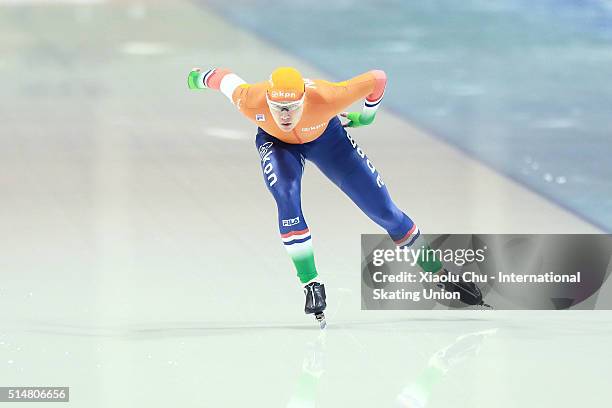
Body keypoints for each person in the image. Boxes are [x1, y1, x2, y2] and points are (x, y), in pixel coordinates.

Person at [187, 66, 485, 327]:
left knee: (385, 212)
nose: (286, 116)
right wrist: (197, 77)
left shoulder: (328, 96)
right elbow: (222, 78)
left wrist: (366, 118)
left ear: (305, 98)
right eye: (278, 108)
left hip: (327, 139)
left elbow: (377, 78)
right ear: (267, 101)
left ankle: (438, 271)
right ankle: (311, 284)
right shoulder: (250, 98)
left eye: (292, 107)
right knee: (287, 198)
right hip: (277, 145)